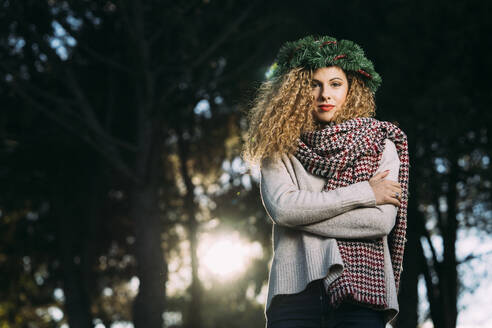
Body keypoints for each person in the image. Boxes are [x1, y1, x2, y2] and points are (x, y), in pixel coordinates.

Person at [242, 35, 410, 328]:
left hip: (361, 295)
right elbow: (283, 210)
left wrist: (300, 214)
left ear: (351, 89)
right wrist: (365, 192)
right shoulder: (277, 144)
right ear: (296, 91)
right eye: (313, 84)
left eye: (335, 84)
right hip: (294, 296)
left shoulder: (382, 144)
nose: (324, 94)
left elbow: (380, 223)